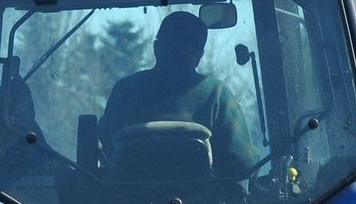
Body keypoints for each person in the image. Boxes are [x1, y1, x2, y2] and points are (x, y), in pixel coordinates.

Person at [98, 10, 262, 178]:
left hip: (126, 201)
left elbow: (108, 146)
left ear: (156, 48)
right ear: (199, 55)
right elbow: (243, 162)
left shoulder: (125, 90)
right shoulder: (216, 93)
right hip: (204, 203)